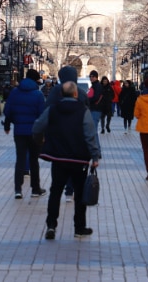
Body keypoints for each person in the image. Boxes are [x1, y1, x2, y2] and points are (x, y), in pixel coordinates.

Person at [33, 81, 101, 240]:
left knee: (55, 192)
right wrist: (95, 155)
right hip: (79, 159)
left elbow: (37, 127)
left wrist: (41, 142)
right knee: (79, 194)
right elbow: (90, 135)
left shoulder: (52, 109)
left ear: (61, 95)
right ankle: (79, 227)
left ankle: (51, 225)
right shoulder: (83, 111)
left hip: (58, 158)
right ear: (76, 94)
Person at [46, 66, 92, 202]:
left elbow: (47, 110)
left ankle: (58, 193)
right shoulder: (81, 93)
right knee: (74, 162)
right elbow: (87, 115)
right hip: (77, 135)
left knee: (59, 163)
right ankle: (70, 190)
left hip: (59, 135)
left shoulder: (56, 91)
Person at [3, 68, 47, 199]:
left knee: (20, 160)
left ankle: (18, 189)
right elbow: (42, 115)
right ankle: (35, 189)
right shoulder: (38, 95)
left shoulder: (15, 92)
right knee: (34, 160)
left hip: (19, 132)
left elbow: (8, 110)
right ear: (35, 80)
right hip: (34, 133)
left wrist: (7, 125)